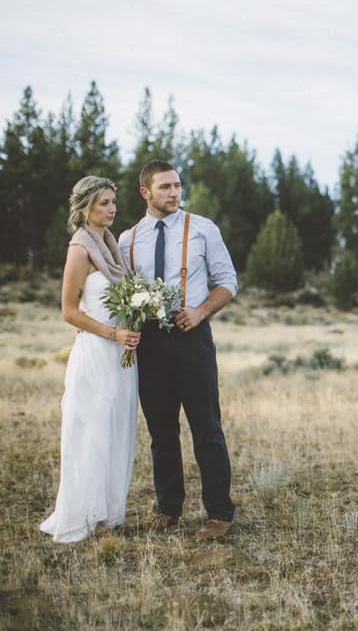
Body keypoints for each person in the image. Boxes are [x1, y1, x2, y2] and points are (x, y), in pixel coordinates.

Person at [119, 160, 238, 540]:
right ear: (146, 192)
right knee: (161, 432)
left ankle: (219, 514)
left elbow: (228, 282)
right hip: (149, 344)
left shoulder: (203, 229)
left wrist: (200, 311)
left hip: (192, 341)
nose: (174, 193)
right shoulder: (126, 239)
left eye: (177, 186)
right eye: (165, 187)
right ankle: (168, 509)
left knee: (207, 429)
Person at [40, 176, 141, 543]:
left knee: (117, 432)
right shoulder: (80, 249)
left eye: (114, 202)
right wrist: (112, 333)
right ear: (85, 207)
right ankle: (86, 514)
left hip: (121, 356)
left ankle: (108, 513)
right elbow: (68, 311)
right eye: (103, 203)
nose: (111, 208)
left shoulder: (111, 247)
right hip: (97, 354)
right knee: (92, 433)